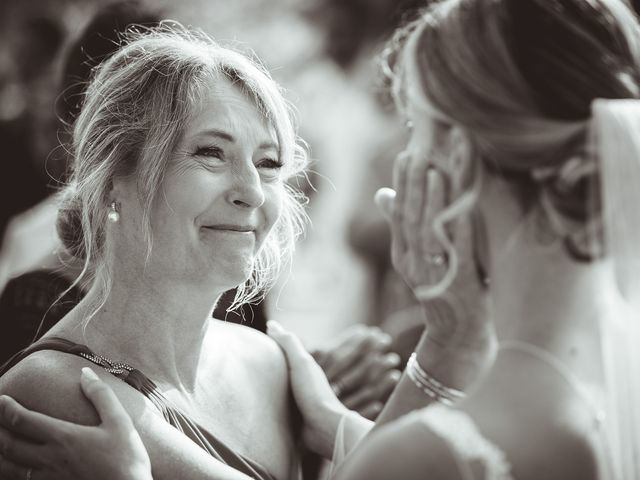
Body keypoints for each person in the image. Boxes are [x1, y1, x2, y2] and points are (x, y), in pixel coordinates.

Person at [9, 0, 640, 478]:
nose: (252, 192)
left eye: (269, 164)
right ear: (113, 177)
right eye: (209, 153)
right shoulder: (52, 390)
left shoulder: (268, 362)